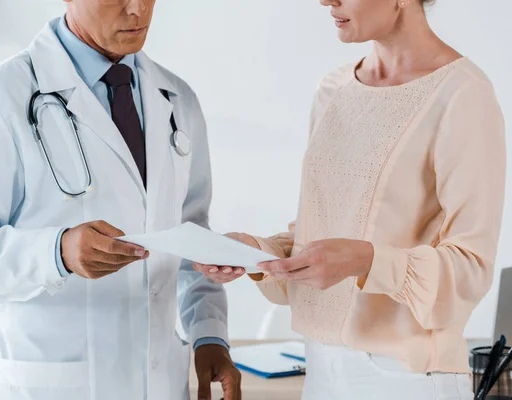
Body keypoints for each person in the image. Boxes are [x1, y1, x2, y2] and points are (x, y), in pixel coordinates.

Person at [0, 1, 241, 399]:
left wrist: (209, 334)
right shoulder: (0, 95)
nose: (137, 9)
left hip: (159, 383)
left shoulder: (176, 99)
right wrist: (57, 252)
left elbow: (191, 237)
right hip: (49, 384)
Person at [195, 0, 506, 399]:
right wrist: (257, 252)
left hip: (406, 380)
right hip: (321, 374)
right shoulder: (334, 89)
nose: (326, 1)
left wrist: (364, 260)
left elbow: (471, 269)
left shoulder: (464, 96)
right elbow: (319, 237)